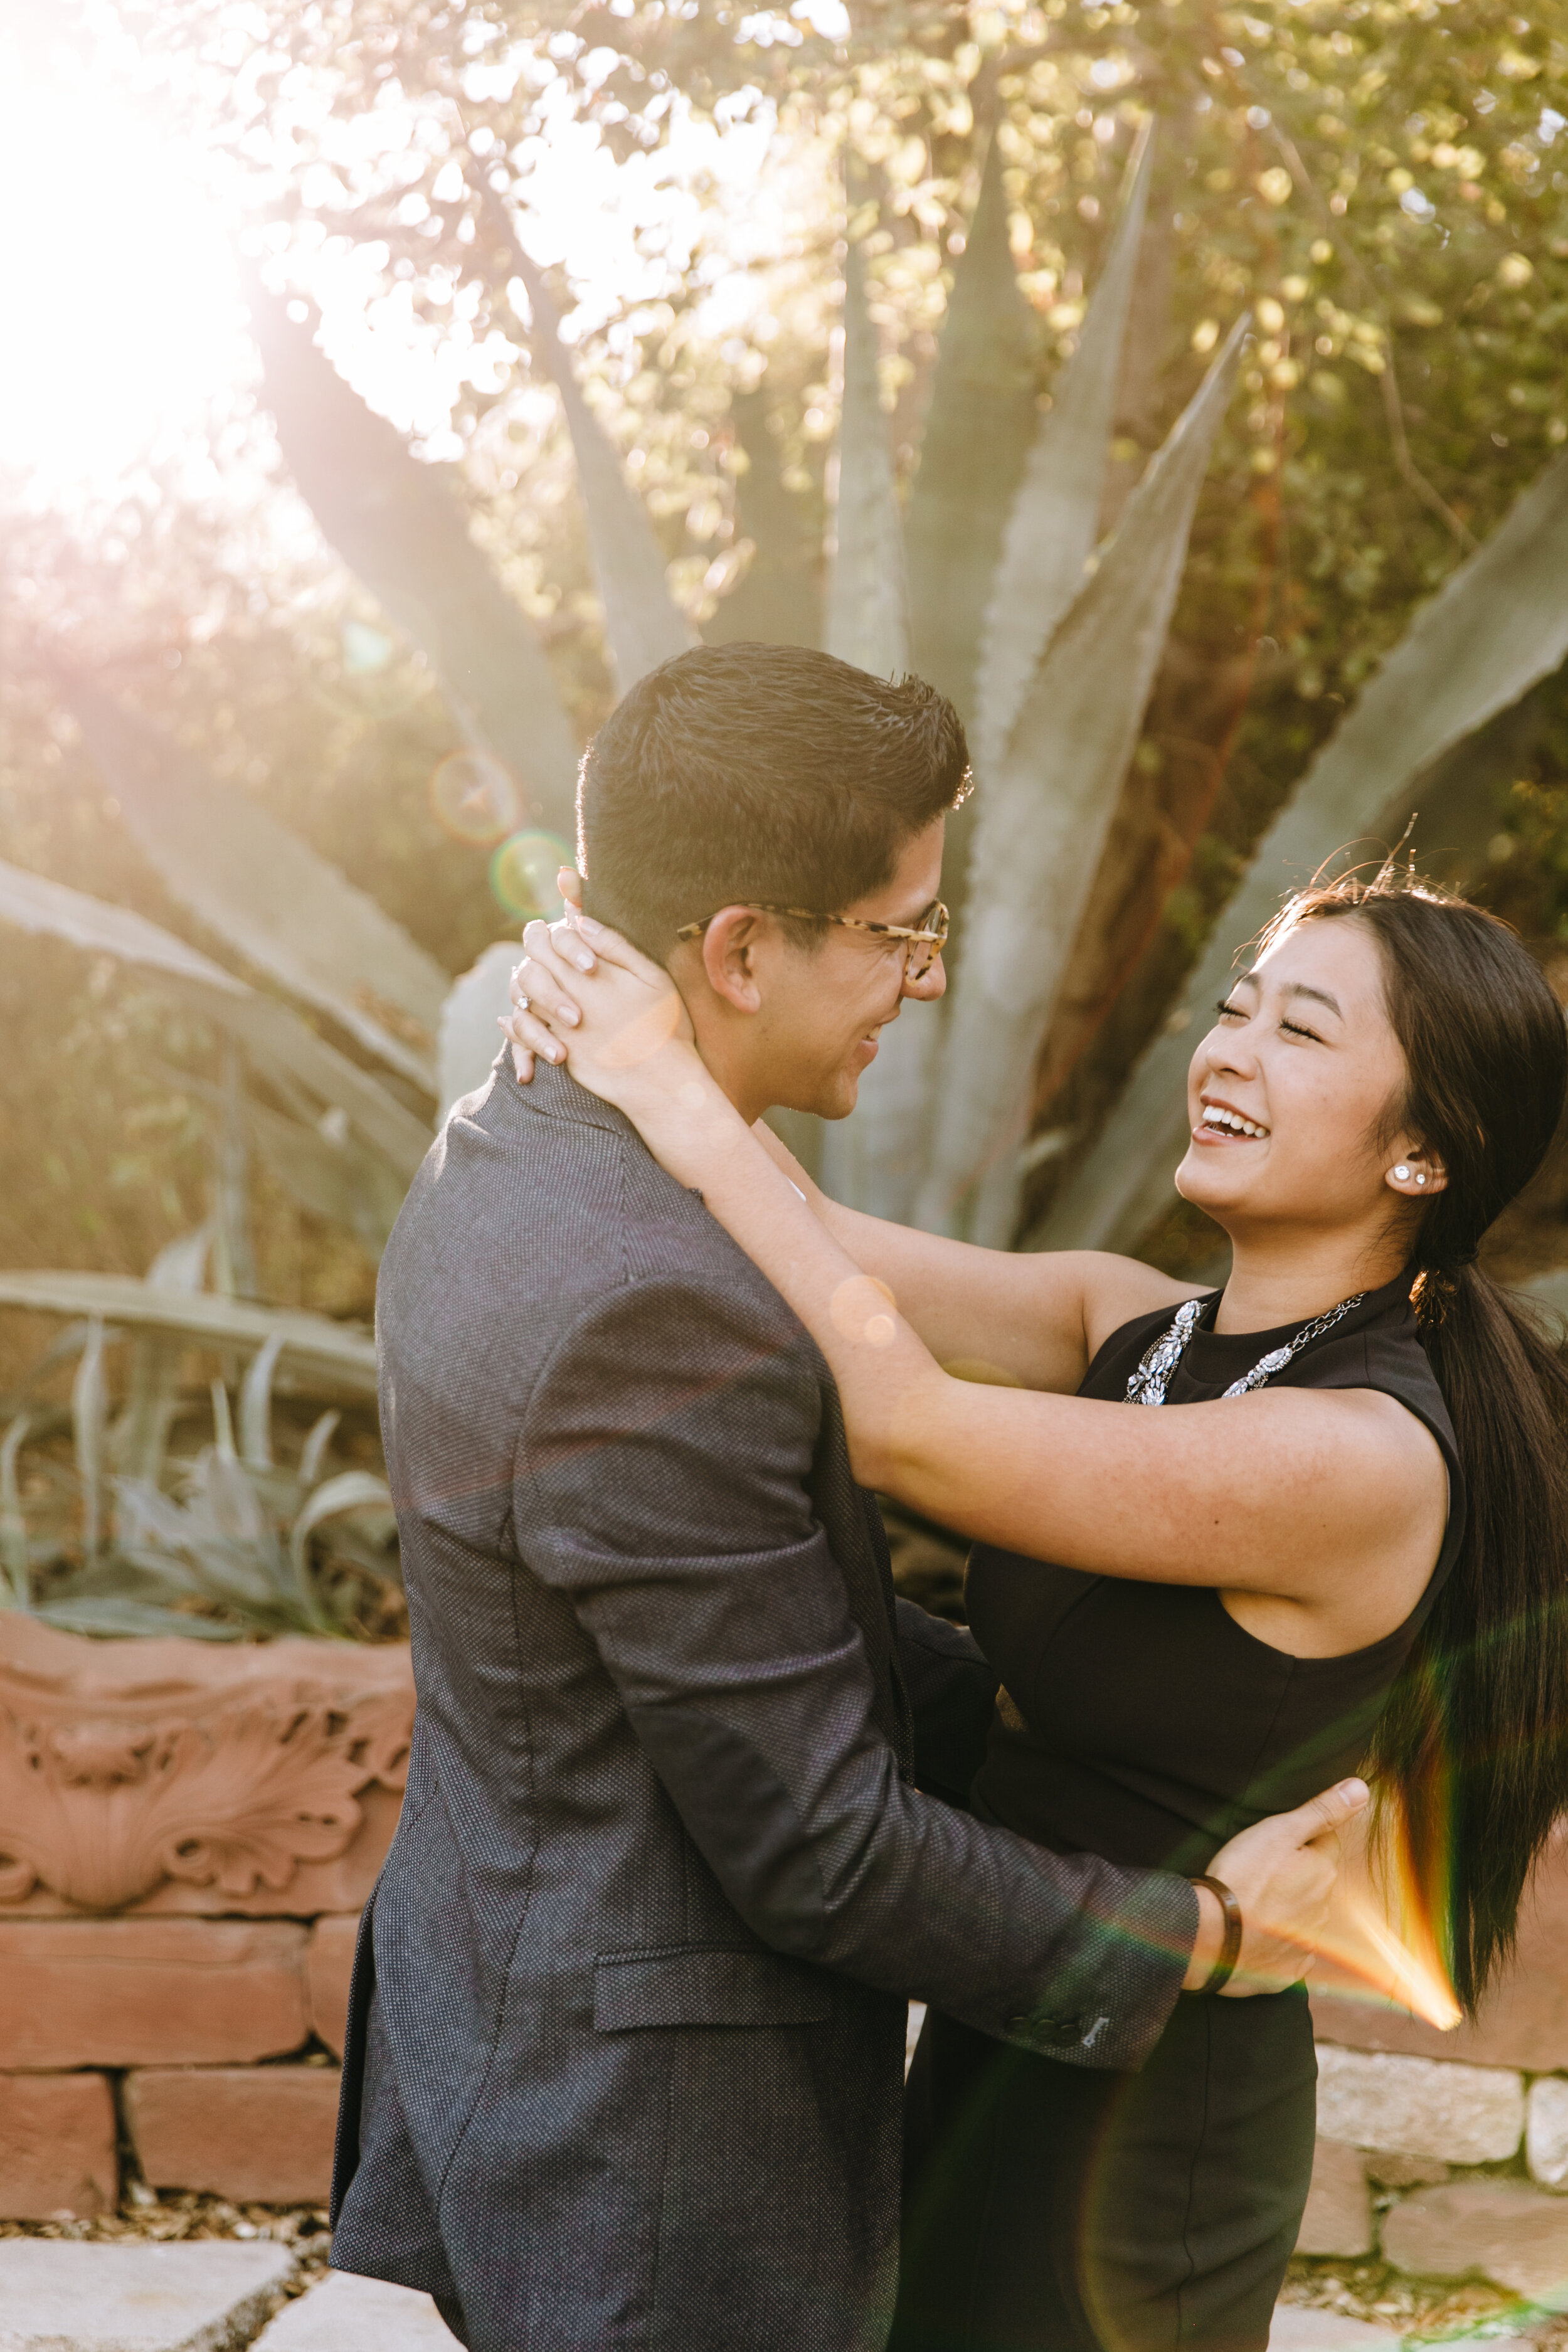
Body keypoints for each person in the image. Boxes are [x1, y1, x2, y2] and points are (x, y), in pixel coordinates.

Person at [329, 643, 1365, 2352]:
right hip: (657, 2161)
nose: (929, 976)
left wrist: (1051, 1715)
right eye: (899, 928)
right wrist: (1206, 1928)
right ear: (738, 947)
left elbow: (721, 1617)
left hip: (521, 2021)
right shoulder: (656, 1302)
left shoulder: (501, 1148)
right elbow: (818, 1844)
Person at [506, 780, 1568, 2352]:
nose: (1225, 1055)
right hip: (1031, 2016)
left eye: (1302, 1034)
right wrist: (640, 1023)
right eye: (1235, 1008)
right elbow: (805, 1245)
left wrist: (666, 1085)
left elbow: (903, 1426)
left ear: (1421, 1153)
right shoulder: (1134, 1326)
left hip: (1156, 2115)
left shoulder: (1353, 1457)